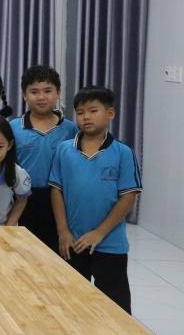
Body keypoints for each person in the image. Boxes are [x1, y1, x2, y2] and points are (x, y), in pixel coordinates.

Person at [49, 87, 141, 314]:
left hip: (109, 244)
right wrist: (63, 231)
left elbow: (128, 197)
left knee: (114, 309)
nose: (86, 117)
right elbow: (56, 191)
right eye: (80, 113)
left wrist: (99, 233)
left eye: (93, 111)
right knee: (72, 306)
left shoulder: (123, 152)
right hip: (73, 243)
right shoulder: (64, 150)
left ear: (110, 113)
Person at [11, 65, 78, 250]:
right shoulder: (13, 127)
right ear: (24, 95)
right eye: (34, 92)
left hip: (60, 199)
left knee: (55, 250)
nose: (41, 97)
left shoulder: (71, 129)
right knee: (24, 250)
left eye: (48, 91)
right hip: (23, 198)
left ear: (58, 93)